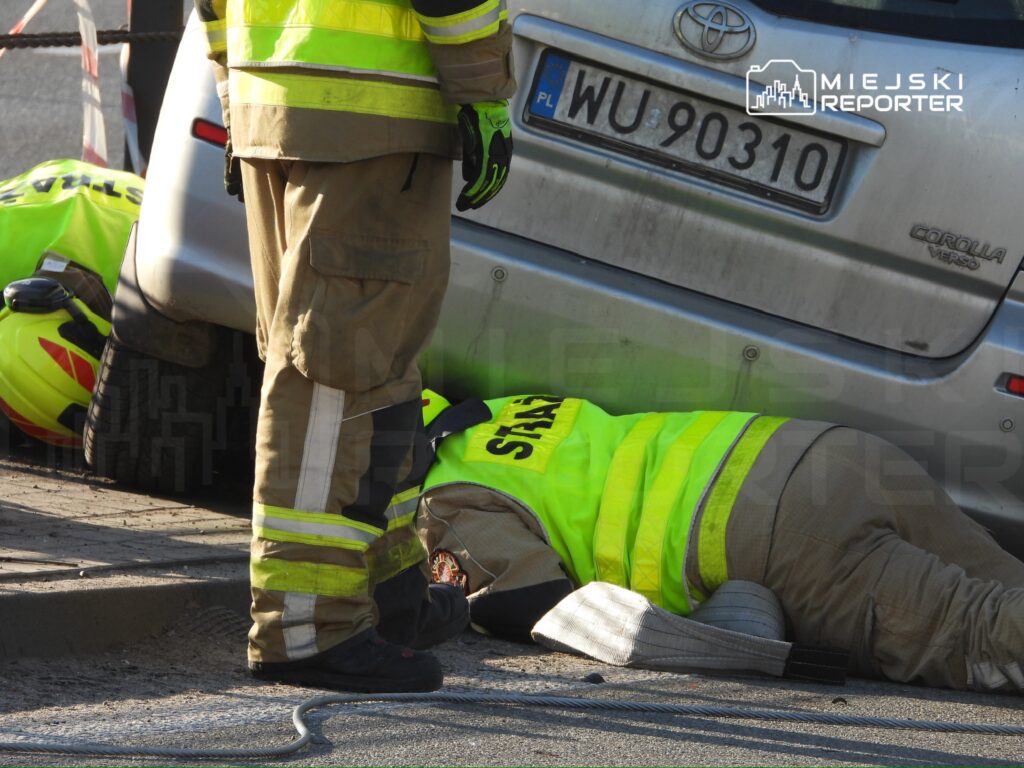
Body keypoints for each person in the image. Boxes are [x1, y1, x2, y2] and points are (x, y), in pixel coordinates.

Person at [192, 0, 516, 692]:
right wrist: (484, 89)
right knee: (332, 375)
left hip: (274, 102)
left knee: (375, 366)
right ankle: (307, 628)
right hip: (372, 109)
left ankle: (386, 592)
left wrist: (233, 88)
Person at [414, 390, 1024, 693]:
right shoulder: (491, 414)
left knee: (981, 635)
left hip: (783, 538)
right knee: (1008, 593)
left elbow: (534, 602)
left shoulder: (443, 500)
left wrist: (425, 600)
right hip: (823, 452)